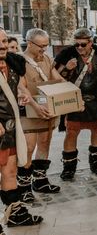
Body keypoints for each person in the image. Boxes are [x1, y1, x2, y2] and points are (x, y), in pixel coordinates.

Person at [0, 29, 43, 235]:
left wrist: (24, 97)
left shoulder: (12, 64)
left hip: (10, 128)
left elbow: (18, 88)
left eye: (5, 40)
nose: (3, 45)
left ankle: (15, 213)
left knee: (10, 171)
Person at [54, 28, 97, 181]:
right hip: (75, 101)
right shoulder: (68, 55)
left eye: (83, 44)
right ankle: (69, 167)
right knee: (71, 132)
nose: (79, 48)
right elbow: (54, 76)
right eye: (77, 44)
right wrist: (66, 68)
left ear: (91, 43)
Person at [19, 28, 65, 201]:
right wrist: (34, 106)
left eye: (46, 45)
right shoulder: (20, 61)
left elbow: (58, 79)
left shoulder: (46, 58)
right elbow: (21, 87)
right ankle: (23, 187)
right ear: (30, 43)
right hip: (30, 112)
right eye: (41, 46)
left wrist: (71, 93)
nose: (44, 49)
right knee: (29, 148)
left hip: (47, 109)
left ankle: (40, 180)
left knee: (44, 143)